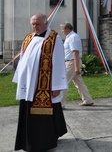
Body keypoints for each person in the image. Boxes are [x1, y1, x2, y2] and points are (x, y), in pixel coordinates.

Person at [13, 13, 68, 151]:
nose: (34, 26)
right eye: (32, 24)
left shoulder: (54, 39)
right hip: (27, 83)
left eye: (37, 24)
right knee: (27, 112)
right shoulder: (28, 38)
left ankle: (42, 143)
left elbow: (59, 63)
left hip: (43, 84)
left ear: (45, 23)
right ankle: (27, 141)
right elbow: (23, 60)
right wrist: (20, 78)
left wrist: (57, 86)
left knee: (43, 115)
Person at [60, 22, 94, 108]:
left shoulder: (73, 37)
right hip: (71, 61)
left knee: (64, 82)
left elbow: (75, 52)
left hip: (72, 62)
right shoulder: (70, 37)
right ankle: (88, 99)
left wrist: (76, 67)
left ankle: (60, 104)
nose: (62, 31)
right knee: (79, 82)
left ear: (67, 29)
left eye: (63, 29)